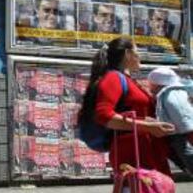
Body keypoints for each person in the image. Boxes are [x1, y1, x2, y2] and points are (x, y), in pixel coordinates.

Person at [78, 37, 174, 176]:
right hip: (134, 155)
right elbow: (104, 115)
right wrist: (148, 127)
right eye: (137, 50)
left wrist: (150, 122)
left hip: (148, 151)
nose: (140, 55)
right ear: (128, 53)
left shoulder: (128, 80)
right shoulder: (114, 78)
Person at [148, 67, 193, 175]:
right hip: (180, 133)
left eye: (151, 84)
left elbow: (180, 114)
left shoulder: (171, 95)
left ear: (158, 83)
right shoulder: (170, 92)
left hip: (181, 134)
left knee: (188, 158)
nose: (149, 87)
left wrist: (187, 130)